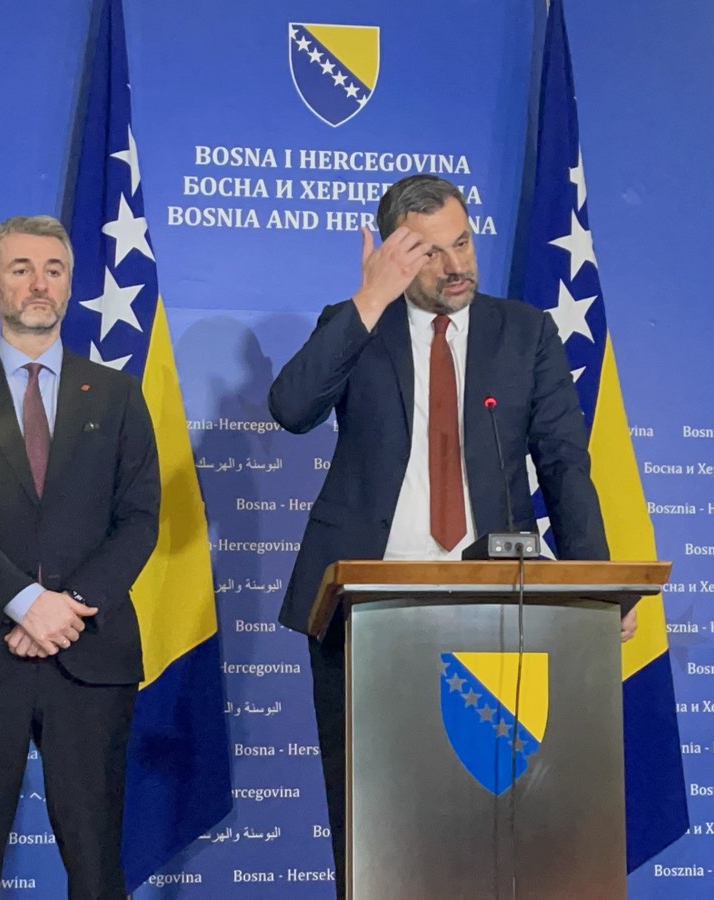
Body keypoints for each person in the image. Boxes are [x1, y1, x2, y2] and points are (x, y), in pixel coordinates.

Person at [268, 175, 634, 896]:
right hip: (363, 608)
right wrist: (370, 299)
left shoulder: (524, 332)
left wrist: (596, 583)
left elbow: (564, 464)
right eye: (428, 253)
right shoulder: (357, 325)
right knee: (369, 826)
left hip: (497, 604)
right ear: (394, 255)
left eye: (462, 243)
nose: (455, 265)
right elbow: (291, 408)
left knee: (496, 822)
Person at [0, 214, 159, 899]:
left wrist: (67, 608)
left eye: (54, 269)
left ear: (71, 286)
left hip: (90, 654)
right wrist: (25, 604)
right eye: (20, 269)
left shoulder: (117, 393)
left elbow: (140, 517)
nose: (39, 283)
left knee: (98, 869)